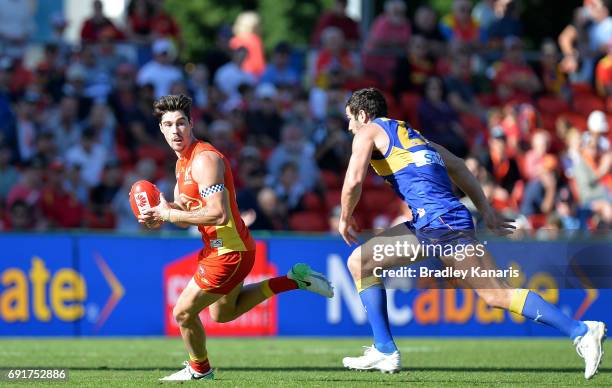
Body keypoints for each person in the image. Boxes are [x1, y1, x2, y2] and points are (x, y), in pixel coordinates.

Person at [338, 88, 606, 378]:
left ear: (363, 115)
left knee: (497, 295)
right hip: (428, 225)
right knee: (360, 262)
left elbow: (353, 181)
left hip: (444, 225)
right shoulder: (412, 136)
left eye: (350, 120)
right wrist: (487, 212)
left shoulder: (367, 132)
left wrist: (344, 218)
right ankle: (385, 349)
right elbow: (459, 167)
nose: (350, 127)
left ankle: (581, 330)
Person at [138, 95, 333, 381]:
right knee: (222, 315)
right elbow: (185, 214)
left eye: (181, 123)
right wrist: (162, 213)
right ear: (161, 130)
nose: (175, 130)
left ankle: (200, 370)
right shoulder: (182, 164)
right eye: (168, 124)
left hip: (229, 250)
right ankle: (294, 280)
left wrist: (169, 216)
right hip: (225, 247)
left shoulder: (205, 160)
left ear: (191, 124)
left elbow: (218, 214)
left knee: (182, 313)